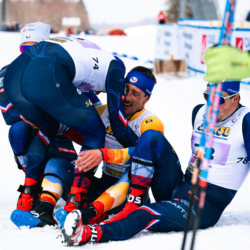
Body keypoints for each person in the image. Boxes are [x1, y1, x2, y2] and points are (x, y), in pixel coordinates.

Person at [61, 80, 250, 246]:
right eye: (206, 96)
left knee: (146, 214)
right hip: (181, 185)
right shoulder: (199, 112)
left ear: (235, 99)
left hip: (206, 202)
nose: (210, 104)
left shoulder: (245, 121)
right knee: (151, 137)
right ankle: (132, 202)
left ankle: (88, 234)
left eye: (218, 99)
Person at [11, 66, 183, 229]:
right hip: (104, 185)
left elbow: (144, 153)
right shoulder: (104, 112)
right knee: (57, 164)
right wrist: (41, 119)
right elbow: (67, 123)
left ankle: (87, 214)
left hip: (130, 194)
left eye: (135, 93)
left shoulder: (150, 122)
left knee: (129, 174)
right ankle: (44, 211)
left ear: (146, 99)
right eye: (125, 89)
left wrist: (104, 154)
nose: (127, 97)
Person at [3, 32, 138, 214]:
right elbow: (117, 123)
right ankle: (74, 202)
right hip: (47, 72)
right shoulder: (116, 71)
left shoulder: (88, 52)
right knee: (95, 130)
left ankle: (27, 197)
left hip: (14, 75)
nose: (98, 93)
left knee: (47, 128)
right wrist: (140, 147)